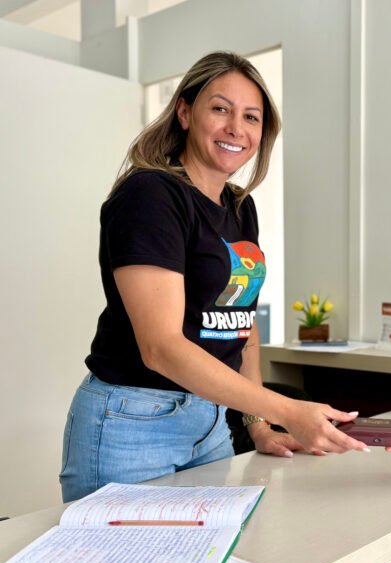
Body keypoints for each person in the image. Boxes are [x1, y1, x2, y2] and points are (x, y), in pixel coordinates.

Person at [60, 51, 367, 503]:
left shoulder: (240, 207)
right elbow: (160, 348)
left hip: (209, 423)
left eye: (251, 117)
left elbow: (240, 322)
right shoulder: (150, 196)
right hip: (132, 422)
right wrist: (287, 410)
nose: (236, 129)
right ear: (185, 112)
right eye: (220, 109)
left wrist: (257, 424)